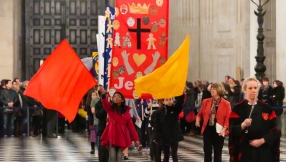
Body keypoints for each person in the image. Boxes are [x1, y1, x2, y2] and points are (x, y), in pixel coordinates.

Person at [228, 77, 280, 162]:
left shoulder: (266, 108)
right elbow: (232, 131)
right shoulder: (237, 108)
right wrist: (242, 125)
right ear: (245, 90)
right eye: (250, 88)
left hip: (264, 151)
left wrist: (263, 140)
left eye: (255, 88)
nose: (253, 90)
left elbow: (275, 130)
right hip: (245, 151)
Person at [98, 87, 140, 162]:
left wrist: (136, 139)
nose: (116, 97)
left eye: (118, 96)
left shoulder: (126, 113)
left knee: (119, 157)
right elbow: (105, 103)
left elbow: (131, 128)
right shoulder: (110, 109)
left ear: (122, 100)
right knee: (112, 156)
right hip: (112, 134)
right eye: (114, 96)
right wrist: (104, 95)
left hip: (121, 136)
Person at [195, 82, 231, 162]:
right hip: (208, 129)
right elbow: (200, 114)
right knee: (207, 152)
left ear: (219, 90)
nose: (212, 90)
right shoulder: (206, 101)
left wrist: (224, 129)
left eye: (214, 88)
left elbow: (228, 118)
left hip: (219, 131)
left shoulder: (226, 104)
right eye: (211, 88)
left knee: (218, 153)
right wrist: (197, 119)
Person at [152, 93, 184, 162]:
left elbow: (180, 102)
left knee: (174, 154)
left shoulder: (175, 109)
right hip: (164, 136)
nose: (169, 101)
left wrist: (181, 92)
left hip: (174, 134)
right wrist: (156, 137)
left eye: (170, 99)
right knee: (166, 155)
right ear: (163, 102)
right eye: (167, 100)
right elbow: (157, 126)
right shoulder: (159, 112)